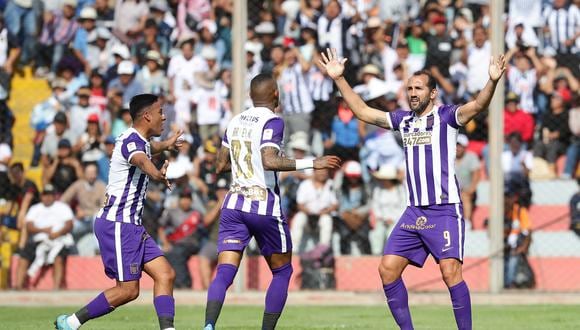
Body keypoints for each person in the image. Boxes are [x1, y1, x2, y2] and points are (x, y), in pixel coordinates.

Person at [320, 47, 506, 329]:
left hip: (444, 210)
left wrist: (491, 81)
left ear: (433, 93)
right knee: (387, 269)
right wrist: (339, 79)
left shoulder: (447, 117)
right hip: (414, 212)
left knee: (449, 271)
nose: (412, 92)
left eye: (418, 88)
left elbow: (477, 106)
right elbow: (362, 111)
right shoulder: (403, 121)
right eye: (409, 88)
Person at [203, 74, 341, 330]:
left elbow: (220, 165)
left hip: (234, 204)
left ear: (250, 95)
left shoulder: (234, 121)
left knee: (225, 271)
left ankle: (209, 325)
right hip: (263, 204)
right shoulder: (273, 121)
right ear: (276, 94)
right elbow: (270, 161)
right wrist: (313, 162)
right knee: (282, 271)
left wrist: (246, 165)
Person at [54, 94, 184, 330]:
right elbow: (141, 160)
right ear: (147, 116)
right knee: (128, 290)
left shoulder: (138, 139)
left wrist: (166, 144)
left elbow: (149, 148)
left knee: (165, 274)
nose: (164, 117)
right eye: (160, 112)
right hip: (118, 224)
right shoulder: (132, 144)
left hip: (131, 225)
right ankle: (71, 323)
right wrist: (157, 174)